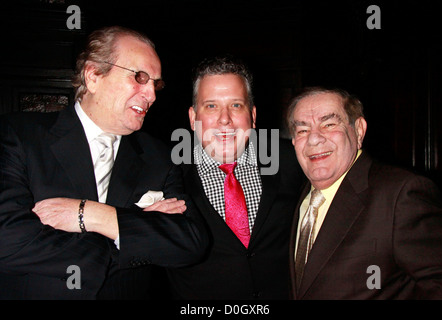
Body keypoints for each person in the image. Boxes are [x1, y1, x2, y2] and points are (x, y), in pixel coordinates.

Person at [0, 26, 207, 299]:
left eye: (155, 84)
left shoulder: (159, 157)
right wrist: (129, 234)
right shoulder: (18, 135)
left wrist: (94, 216)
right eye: (140, 77)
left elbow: (190, 242)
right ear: (93, 75)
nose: (152, 95)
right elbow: (8, 240)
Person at [287, 86, 442, 299]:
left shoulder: (401, 194)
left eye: (328, 124)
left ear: (359, 130)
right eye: (302, 130)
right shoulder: (301, 198)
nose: (314, 139)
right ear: (293, 142)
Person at [165, 55, 305, 299]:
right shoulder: (166, 173)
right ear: (192, 117)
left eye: (236, 105)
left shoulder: (292, 160)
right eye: (211, 106)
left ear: (252, 114)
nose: (224, 119)